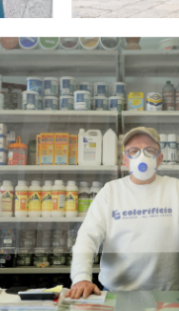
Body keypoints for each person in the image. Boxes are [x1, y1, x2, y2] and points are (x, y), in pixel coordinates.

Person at [66, 127, 179, 299]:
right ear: (125, 160)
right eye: (134, 151)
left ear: (160, 159)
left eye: (149, 151)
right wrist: (81, 278)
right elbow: (87, 237)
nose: (142, 157)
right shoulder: (111, 192)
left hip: (170, 296)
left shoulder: (175, 188)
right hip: (116, 294)